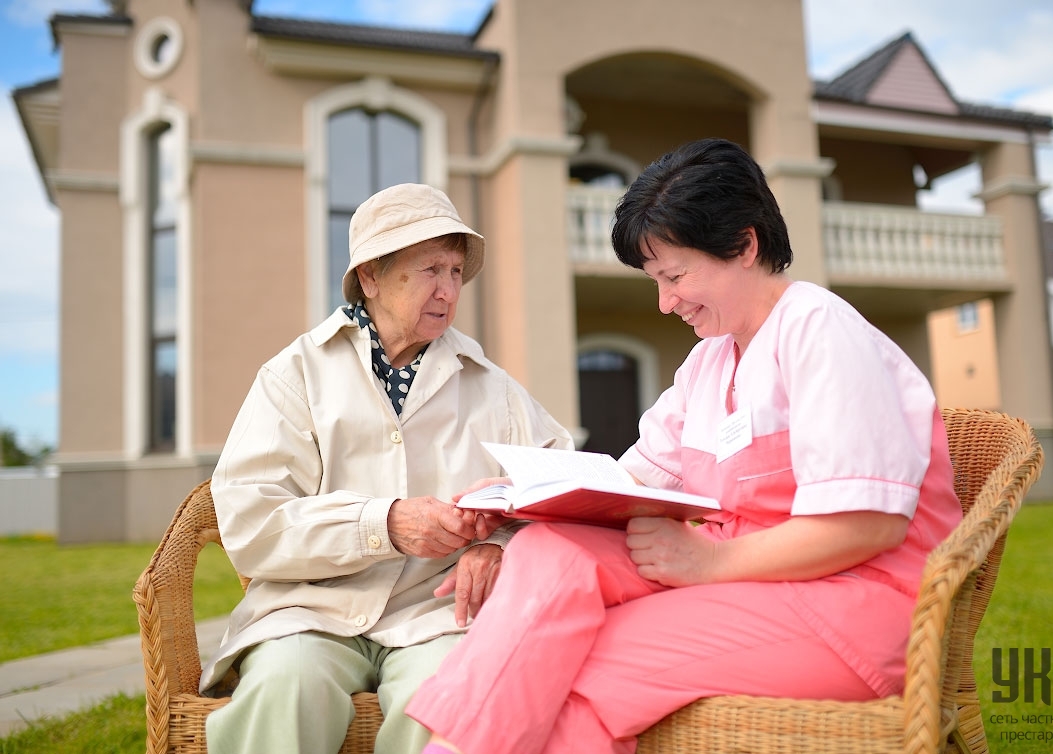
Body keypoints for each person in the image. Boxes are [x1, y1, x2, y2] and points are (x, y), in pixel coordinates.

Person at [404, 138, 964, 754]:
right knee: (549, 547)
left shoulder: (819, 329)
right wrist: (525, 500)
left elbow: (868, 526)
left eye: (674, 276)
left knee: (571, 668)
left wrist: (710, 563)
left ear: (746, 246)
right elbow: (632, 484)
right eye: (656, 281)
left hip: (852, 605)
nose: (666, 303)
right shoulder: (708, 361)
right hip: (743, 585)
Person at [199, 183, 573, 754]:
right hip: (308, 610)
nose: (447, 290)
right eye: (429, 270)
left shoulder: (492, 387)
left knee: (452, 700)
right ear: (371, 277)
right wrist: (386, 523)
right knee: (285, 687)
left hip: (438, 614)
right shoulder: (294, 374)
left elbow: (563, 489)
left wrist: (501, 548)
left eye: (455, 271)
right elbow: (252, 521)